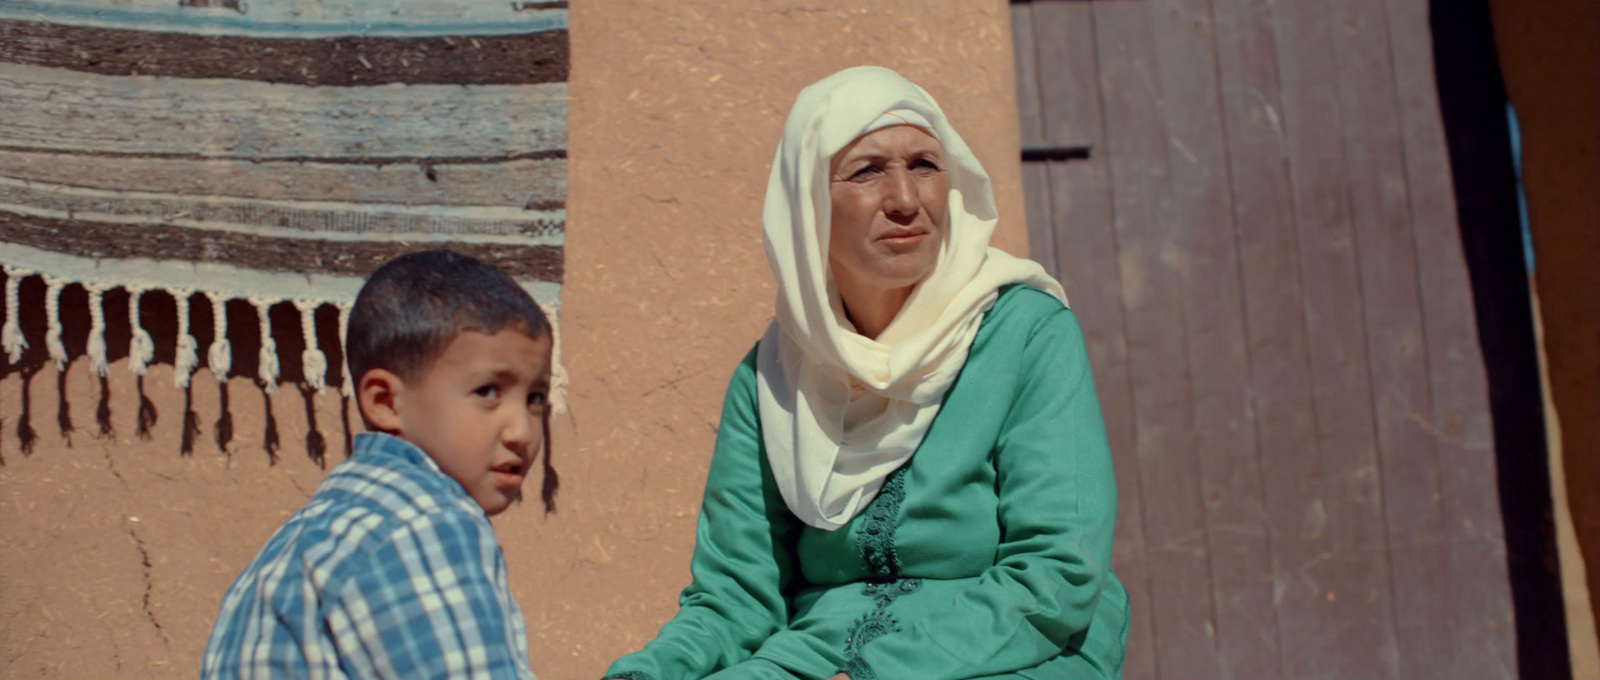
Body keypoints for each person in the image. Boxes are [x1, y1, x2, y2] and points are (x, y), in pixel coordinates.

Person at [604, 66, 1128, 680]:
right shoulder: (772, 379)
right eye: (868, 170)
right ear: (809, 207)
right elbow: (736, 597)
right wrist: (653, 671)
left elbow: (1057, 570)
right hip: (818, 655)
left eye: (926, 165)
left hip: (1012, 647)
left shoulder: (1027, 333)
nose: (906, 200)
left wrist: (878, 675)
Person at [201, 250, 550, 680]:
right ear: (386, 402)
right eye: (487, 392)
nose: (521, 430)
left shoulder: (309, 538)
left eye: (535, 398)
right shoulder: (422, 525)